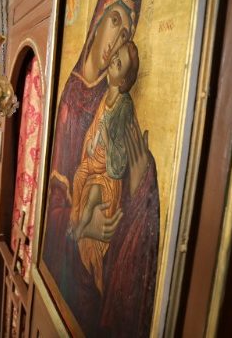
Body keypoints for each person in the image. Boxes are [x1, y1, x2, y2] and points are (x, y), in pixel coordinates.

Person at [42, 0, 160, 337]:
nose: (117, 38)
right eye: (115, 20)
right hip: (70, 262)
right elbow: (54, 200)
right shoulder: (68, 101)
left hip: (97, 271)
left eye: (127, 31)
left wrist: (144, 187)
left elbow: (124, 172)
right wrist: (80, 223)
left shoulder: (120, 103)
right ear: (98, 18)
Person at [70, 41, 140, 294]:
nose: (112, 62)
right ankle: (77, 221)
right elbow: (95, 129)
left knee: (92, 198)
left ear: (123, 81)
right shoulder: (104, 97)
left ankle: (82, 227)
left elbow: (118, 144)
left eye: (118, 63)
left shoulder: (124, 104)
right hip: (94, 160)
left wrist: (105, 140)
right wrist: (90, 143)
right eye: (114, 57)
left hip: (108, 173)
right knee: (78, 178)